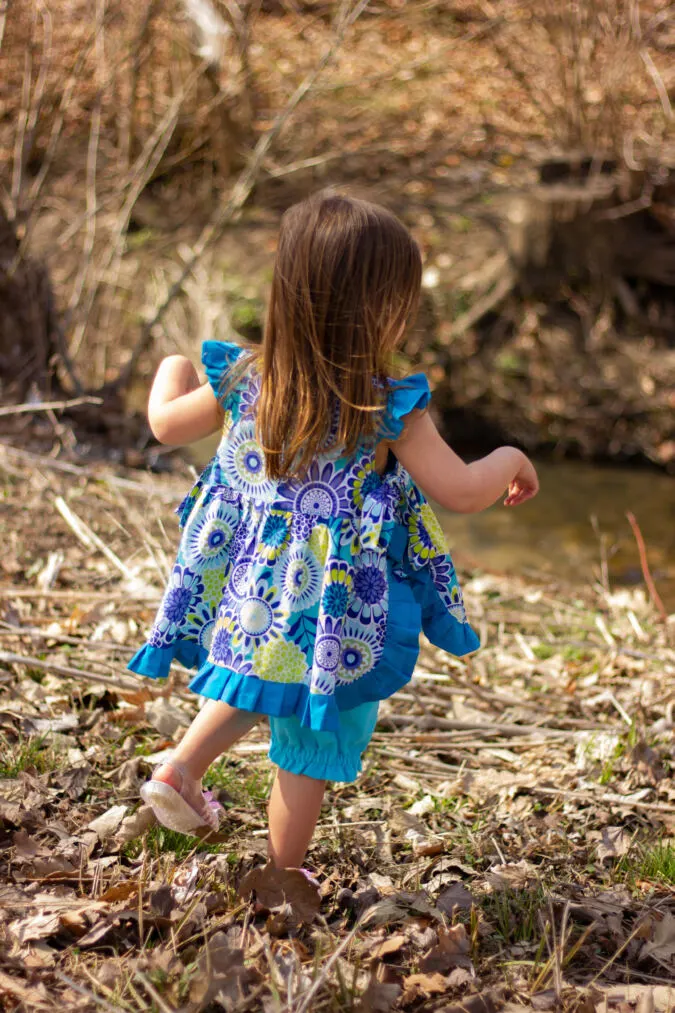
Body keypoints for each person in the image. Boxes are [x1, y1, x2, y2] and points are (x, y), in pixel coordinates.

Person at [128, 191, 538, 875]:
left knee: (255, 670)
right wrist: (511, 459)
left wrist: (170, 369)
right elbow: (463, 491)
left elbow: (166, 425)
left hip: (256, 585)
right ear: (379, 306)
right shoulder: (382, 404)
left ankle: (181, 768)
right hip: (335, 603)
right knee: (310, 732)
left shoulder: (246, 378)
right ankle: (284, 877)